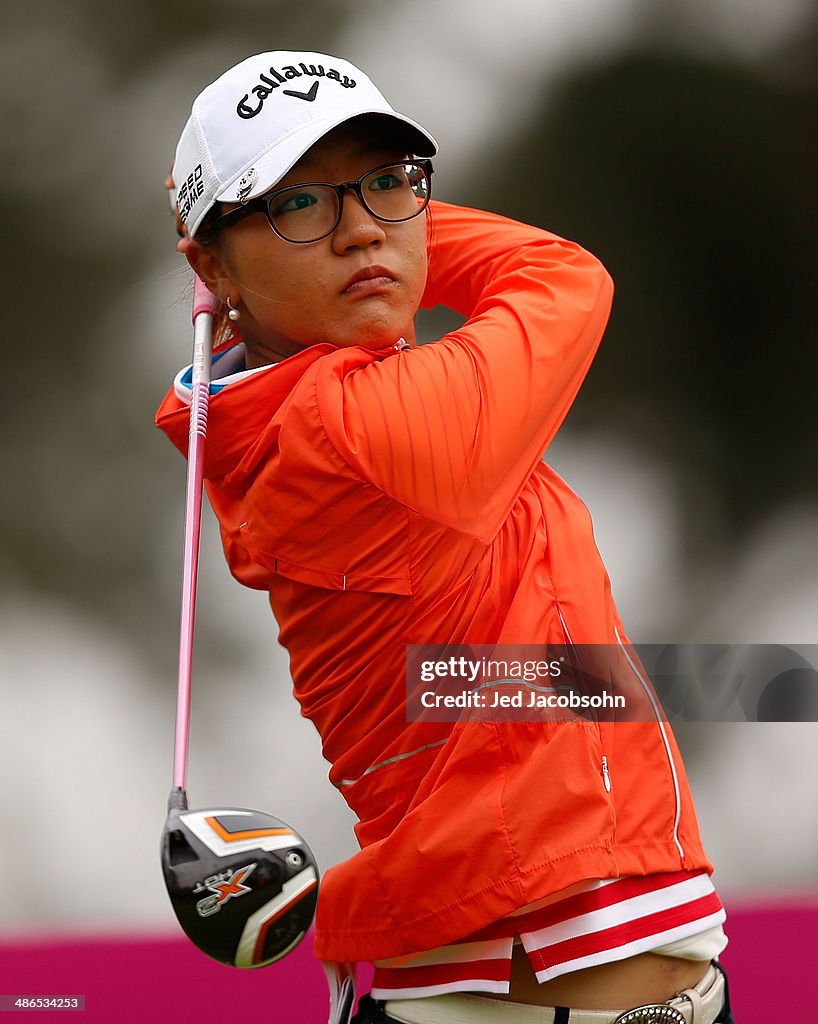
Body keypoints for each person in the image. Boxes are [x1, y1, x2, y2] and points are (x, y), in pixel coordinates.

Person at [158, 50, 734, 1024]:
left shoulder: (286, 422)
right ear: (208, 263)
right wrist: (398, 235)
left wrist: (354, 228)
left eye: (389, 183)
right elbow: (561, 277)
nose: (356, 233)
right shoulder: (368, 428)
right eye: (299, 204)